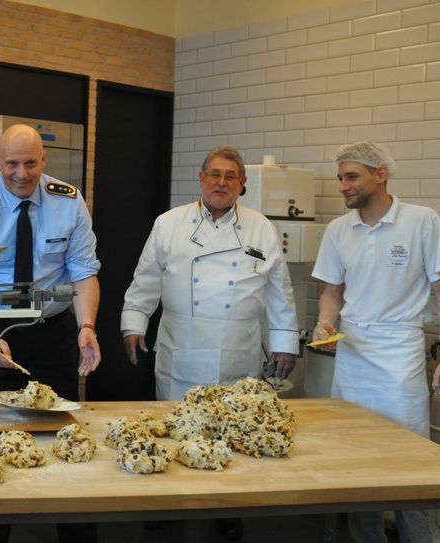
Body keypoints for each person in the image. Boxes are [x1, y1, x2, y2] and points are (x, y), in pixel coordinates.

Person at [120, 145, 300, 541]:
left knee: (231, 430)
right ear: (200, 179)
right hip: (181, 342)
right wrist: (134, 323)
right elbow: (146, 279)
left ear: (243, 184)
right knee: (174, 427)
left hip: (239, 344)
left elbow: (278, 292)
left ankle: (228, 507)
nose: (221, 182)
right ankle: (168, 502)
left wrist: (285, 342)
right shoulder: (169, 223)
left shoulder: (260, 227)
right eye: (214, 174)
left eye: (230, 176)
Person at [0, 123, 101, 543]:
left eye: (31, 163)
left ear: (43, 160)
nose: (21, 173)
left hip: (54, 332)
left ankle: (76, 531)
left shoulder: (68, 202)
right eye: (12, 163)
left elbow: (85, 273)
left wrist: (87, 327)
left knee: (64, 433)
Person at [310, 141, 440, 543]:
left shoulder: (420, 220)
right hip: (353, 354)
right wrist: (325, 322)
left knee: (410, 465)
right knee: (355, 462)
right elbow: (332, 291)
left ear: (381, 174)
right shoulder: (339, 230)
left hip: (400, 354)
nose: (343, 185)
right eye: (340, 177)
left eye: (351, 176)